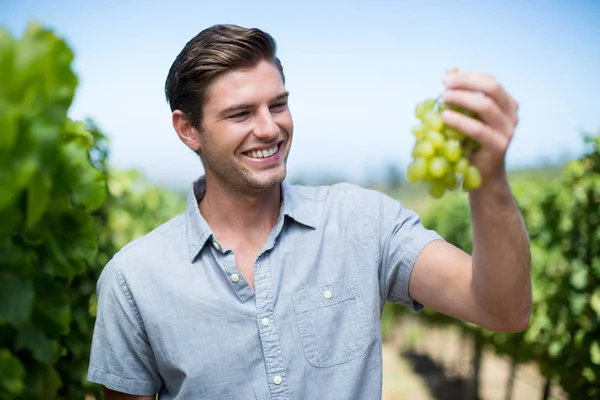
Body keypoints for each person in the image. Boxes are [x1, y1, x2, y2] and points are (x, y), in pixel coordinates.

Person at [87, 24, 532, 400]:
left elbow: (503, 310)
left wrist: (489, 179)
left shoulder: (364, 221)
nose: (269, 128)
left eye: (278, 104)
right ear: (188, 130)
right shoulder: (133, 281)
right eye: (241, 114)